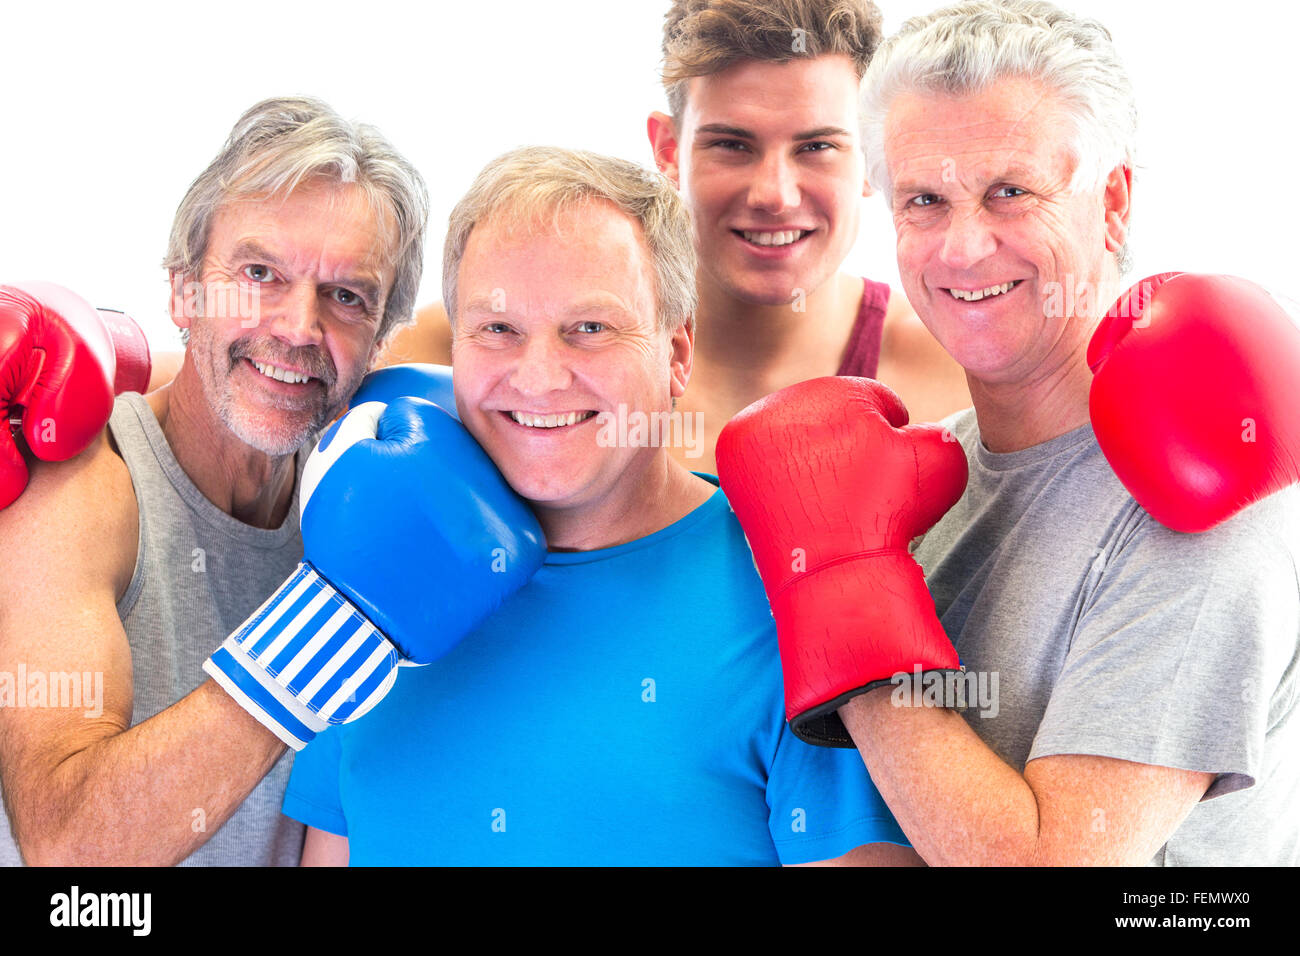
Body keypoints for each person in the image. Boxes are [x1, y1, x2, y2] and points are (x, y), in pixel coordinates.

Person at [716, 0, 1299, 865]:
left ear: (1112, 201)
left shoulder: (1199, 498)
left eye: (1010, 192)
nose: (961, 246)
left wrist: (847, 592)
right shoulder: (911, 483)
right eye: (924, 199)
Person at [281, 146, 920, 865]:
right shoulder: (369, 573)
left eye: (590, 328)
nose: (541, 376)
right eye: (498, 330)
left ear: (678, 351)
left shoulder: (789, 594)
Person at [0, 96, 429, 866]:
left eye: (346, 296)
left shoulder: (356, 503)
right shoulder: (84, 489)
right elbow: (66, 847)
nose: (300, 328)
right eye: (259, 274)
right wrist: (331, 622)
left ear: (380, 339)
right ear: (183, 293)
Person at [379, 0, 970, 475]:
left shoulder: (956, 375)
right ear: (667, 150)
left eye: (816, 147)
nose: (774, 194)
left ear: (874, 154)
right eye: (731, 144)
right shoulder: (454, 350)